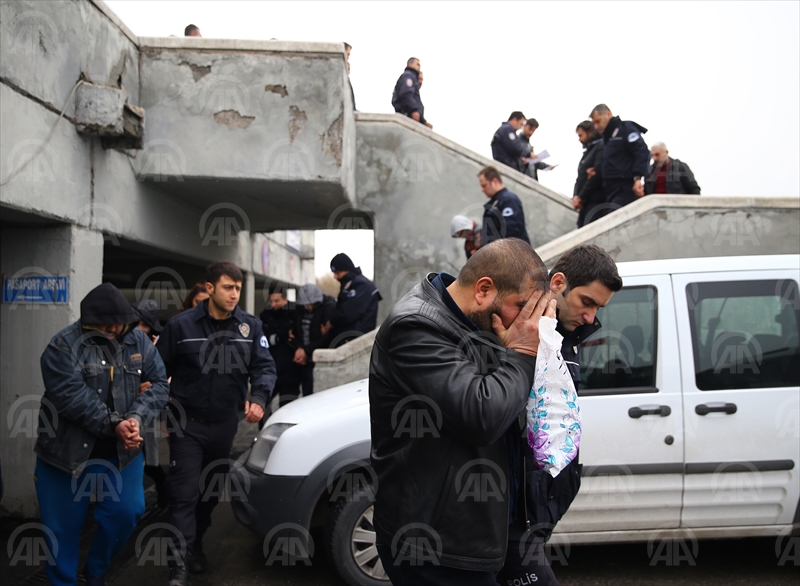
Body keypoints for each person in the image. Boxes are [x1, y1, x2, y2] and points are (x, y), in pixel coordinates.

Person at [370, 238, 557, 584]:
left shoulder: (478, 322)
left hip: (486, 529)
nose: (530, 322)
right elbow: (482, 415)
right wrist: (523, 353)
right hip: (436, 545)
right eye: (523, 307)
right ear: (484, 290)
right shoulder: (415, 327)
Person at [497, 243, 622, 586]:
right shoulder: (523, 330)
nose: (591, 317)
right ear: (558, 283)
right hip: (509, 518)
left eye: (599, 308)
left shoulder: (563, 337)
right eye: (587, 302)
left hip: (535, 514)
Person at [36, 283, 169, 586]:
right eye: (103, 323)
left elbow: (160, 383)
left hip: (121, 455)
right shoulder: (62, 347)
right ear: (86, 321)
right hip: (64, 456)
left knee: (127, 513)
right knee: (61, 531)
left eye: (118, 322)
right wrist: (114, 424)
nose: (112, 328)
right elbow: (71, 398)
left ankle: (95, 571)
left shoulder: (139, 342)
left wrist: (136, 417)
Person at [156, 262, 276, 585]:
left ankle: (195, 542)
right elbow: (157, 370)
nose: (234, 294)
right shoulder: (180, 327)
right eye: (228, 287)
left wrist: (260, 399)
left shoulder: (249, 327)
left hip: (224, 424)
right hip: (186, 424)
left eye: (237, 288)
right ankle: (177, 564)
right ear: (209, 289)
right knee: (183, 493)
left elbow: (264, 368)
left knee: (209, 491)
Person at [131, 299, 169, 508]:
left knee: (147, 461)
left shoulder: (154, 349)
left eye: (141, 325)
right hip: (119, 419)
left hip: (144, 417)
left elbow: (161, 384)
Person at [590, 104, 649, 215]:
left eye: (598, 121)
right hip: (610, 191)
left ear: (608, 114)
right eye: (594, 124)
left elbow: (642, 152)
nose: (596, 127)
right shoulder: (607, 138)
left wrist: (637, 178)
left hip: (625, 188)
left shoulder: (625, 128)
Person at [260, 288, 303, 412]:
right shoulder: (266, 316)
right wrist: (280, 337)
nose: (273, 305)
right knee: (263, 406)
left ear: (285, 299)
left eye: (277, 301)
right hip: (271, 369)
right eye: (271, 301)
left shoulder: (295, 313)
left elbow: (298, 335)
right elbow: (264, 339)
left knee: (287, 410)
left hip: (291, 371)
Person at [291, 284, 337, 397]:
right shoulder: (299, 310)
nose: (308, 306)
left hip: (315, 357)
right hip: (301, 357)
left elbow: (327, 336)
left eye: (310, 304)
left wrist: (306, 351)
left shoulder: (328, 307)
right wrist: (300, 350)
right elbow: (293, 333)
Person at [329, 253, 382, 346]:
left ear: (346, 270)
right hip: (348, 340)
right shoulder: (349, 284)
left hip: (357, 342)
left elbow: (347, 314)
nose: (335, 277)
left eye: (337, 273)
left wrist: (330, 322)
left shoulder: (362, 285)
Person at [479, 165, 530, 245]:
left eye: (484, 185)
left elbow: (512, 231)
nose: (482, 190)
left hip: (512, 254)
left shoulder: (508, 200)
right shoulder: (494, 203)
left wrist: (494, 248)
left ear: (495, 181)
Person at [572, 120, 606, 228]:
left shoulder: (600, 147)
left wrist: (581, 196)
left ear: (590, 132)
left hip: (594, 201)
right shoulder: (588, 152)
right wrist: (576, 196)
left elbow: (595, 176)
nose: (579, 139)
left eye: (581, 135)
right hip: (584, 204)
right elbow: (580, 177)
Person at [392, 57, 428, 126]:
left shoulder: (411, 76)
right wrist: (413, 110)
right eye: (417, 64)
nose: (419, 67)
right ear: (410, 64)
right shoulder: (409, 76)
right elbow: (406, 94)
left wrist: (423, 121)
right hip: (407, 116)